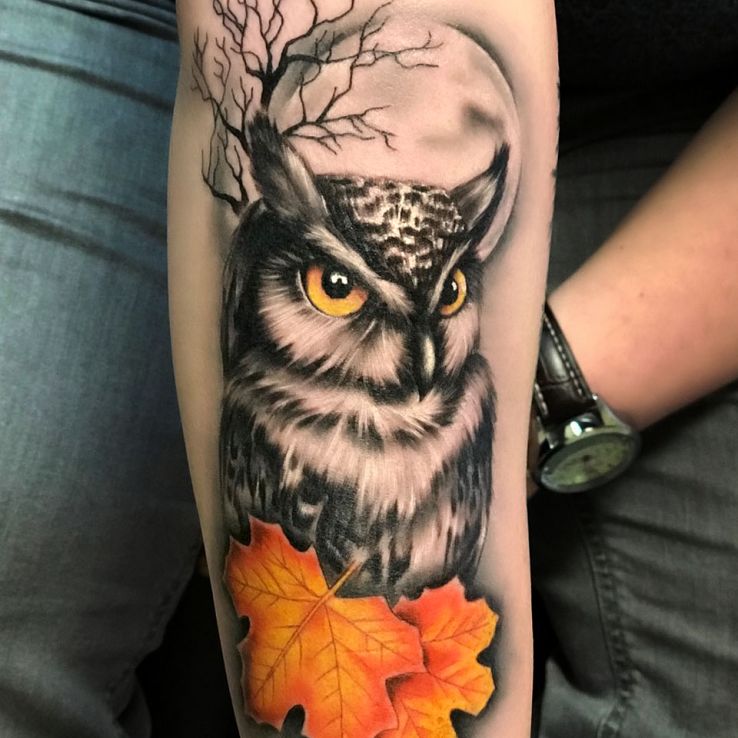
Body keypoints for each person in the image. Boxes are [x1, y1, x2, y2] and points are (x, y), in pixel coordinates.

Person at [0, 2, 734, 738]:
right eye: (338, 289)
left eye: (450, 296)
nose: (419, 356)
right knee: (19, 590)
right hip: (225, 47)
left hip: (690, 106)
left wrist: (548, 388)